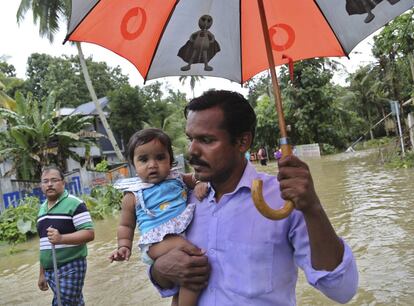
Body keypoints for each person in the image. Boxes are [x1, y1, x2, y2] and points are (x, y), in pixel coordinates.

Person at [149, 90, 358, 305]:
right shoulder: (183, 200)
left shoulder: (285, 200)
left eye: (206, 140)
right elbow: (165, 274)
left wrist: (313, 208)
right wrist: (160, 271)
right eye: (190, 138)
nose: (192, 150)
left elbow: (342, 290)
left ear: (242, 142)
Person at [108, 128, 208, 306]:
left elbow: (196, 178)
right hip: (155, 243)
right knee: (194, 263)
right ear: (133, 164)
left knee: (186, 281)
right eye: (144, 159)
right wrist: (123, 246)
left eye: (160, 158)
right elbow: (126, 225)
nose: (152, 165)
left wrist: (200, 183)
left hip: (178, 235)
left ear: (170, 160)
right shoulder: (133, 194)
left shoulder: (177, 178)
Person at [37, 165, 95, 305]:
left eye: (54, 180)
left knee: (64, 303)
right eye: (45, 181)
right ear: (41, 185)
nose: (49, 184)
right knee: (74, 303)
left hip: (71, 265)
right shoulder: (42, 209)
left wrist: (61, 238)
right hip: (50, 270)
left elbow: (89, 233)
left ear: (63, 182)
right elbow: (44, 244)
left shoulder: (75, 203)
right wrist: (42, 274)